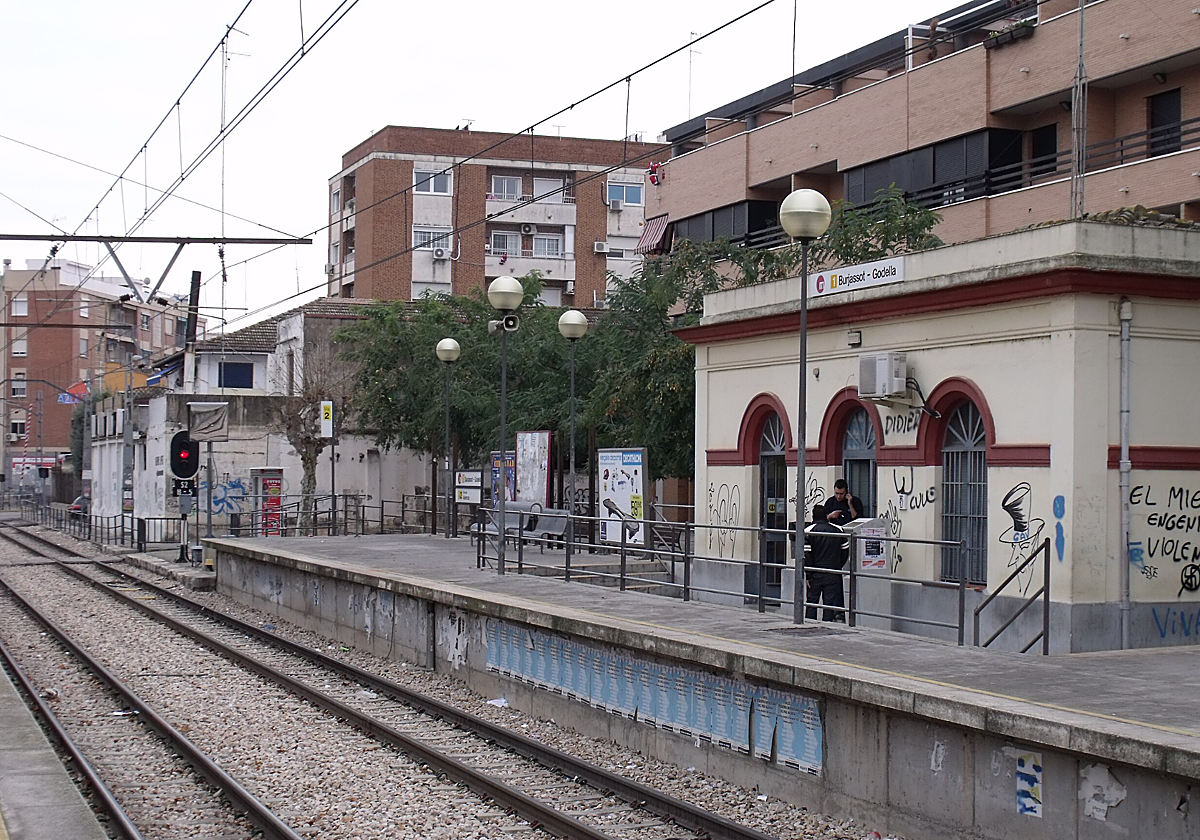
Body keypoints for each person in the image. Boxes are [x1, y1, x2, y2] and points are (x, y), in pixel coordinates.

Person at [804, 503, 850, 621]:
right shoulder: (838, 530)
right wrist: (838, 566)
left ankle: (810, 624)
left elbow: (806, 555)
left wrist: (808, 574)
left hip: (815, 572)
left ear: (813, 517)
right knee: (829, 602)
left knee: (812, 601)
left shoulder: (809, 531)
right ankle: (827, 624)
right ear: (826, 516)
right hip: (832, 571)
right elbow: (845, 550)